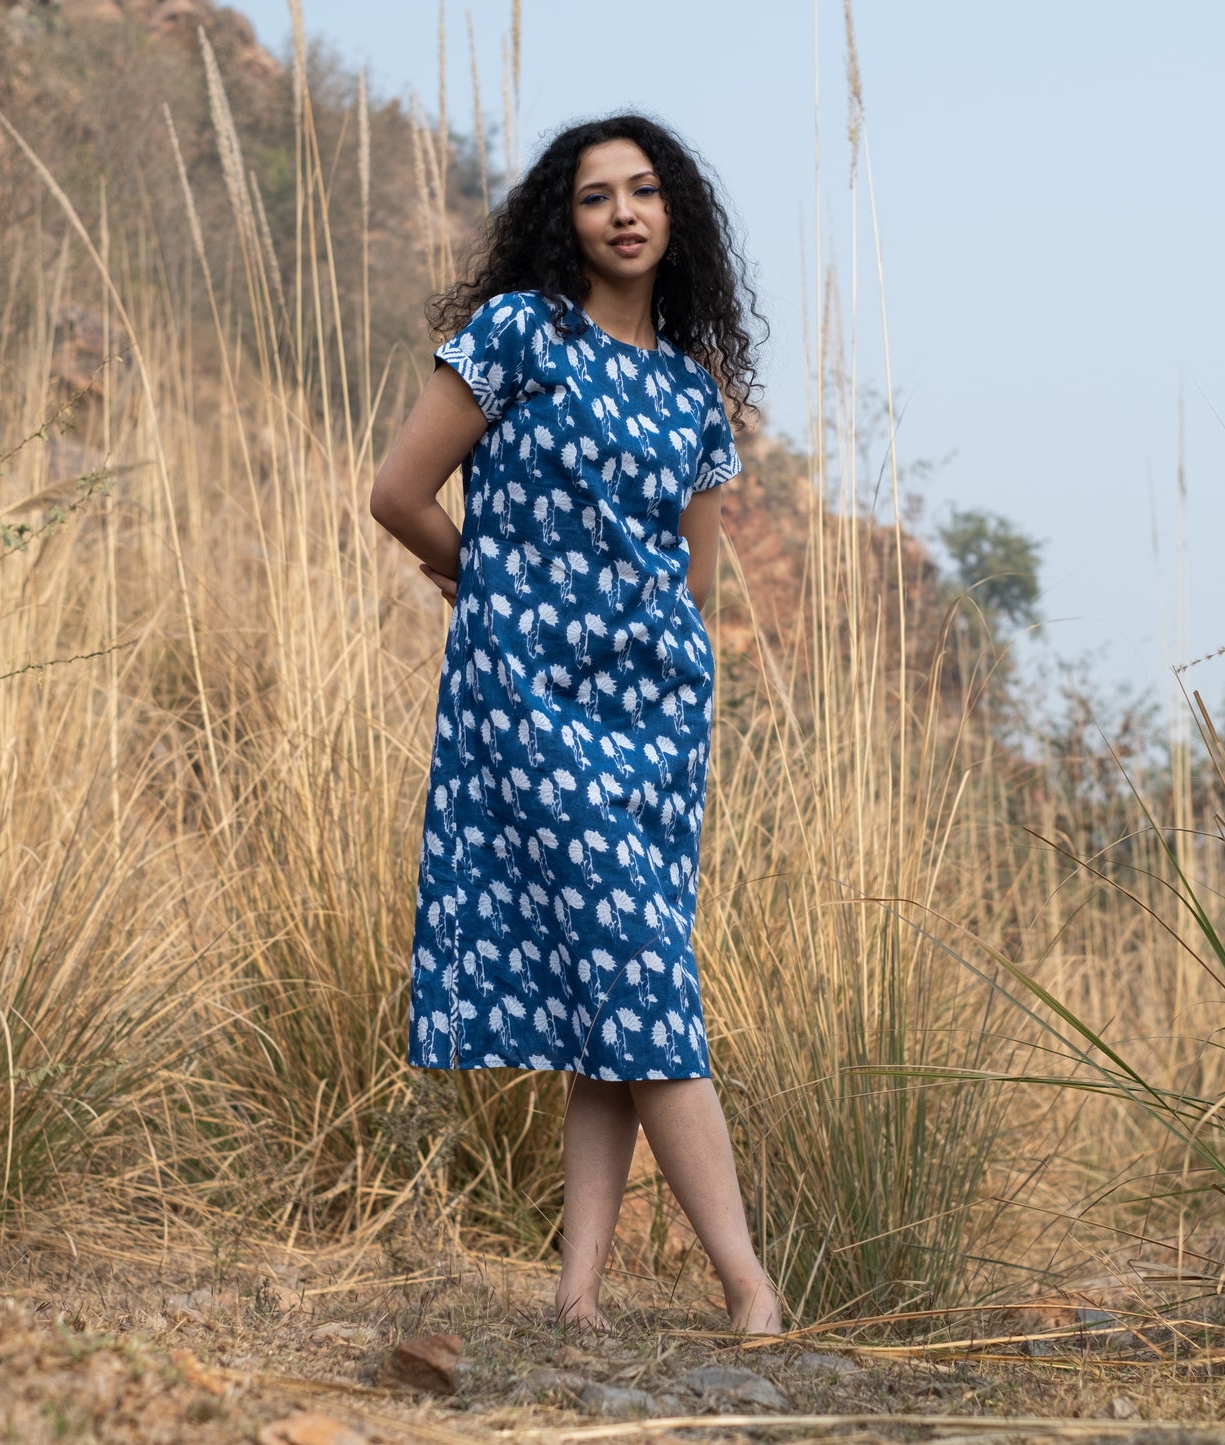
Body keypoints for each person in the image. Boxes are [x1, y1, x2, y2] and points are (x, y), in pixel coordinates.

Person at [370, 113, 780, 1334]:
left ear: (673, 217)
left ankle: (577, 1291)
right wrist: (486, 586)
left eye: (643, 190)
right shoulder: (516, 338)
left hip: (657, 717)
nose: (621, 211)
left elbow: (690, 586)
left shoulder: (691, 401)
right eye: (595, 194)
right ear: (567, 218)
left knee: (617, 987)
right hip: (531, 705)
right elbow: (397, 492)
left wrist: (652, 656)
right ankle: (748, 1285)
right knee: (648, 983)